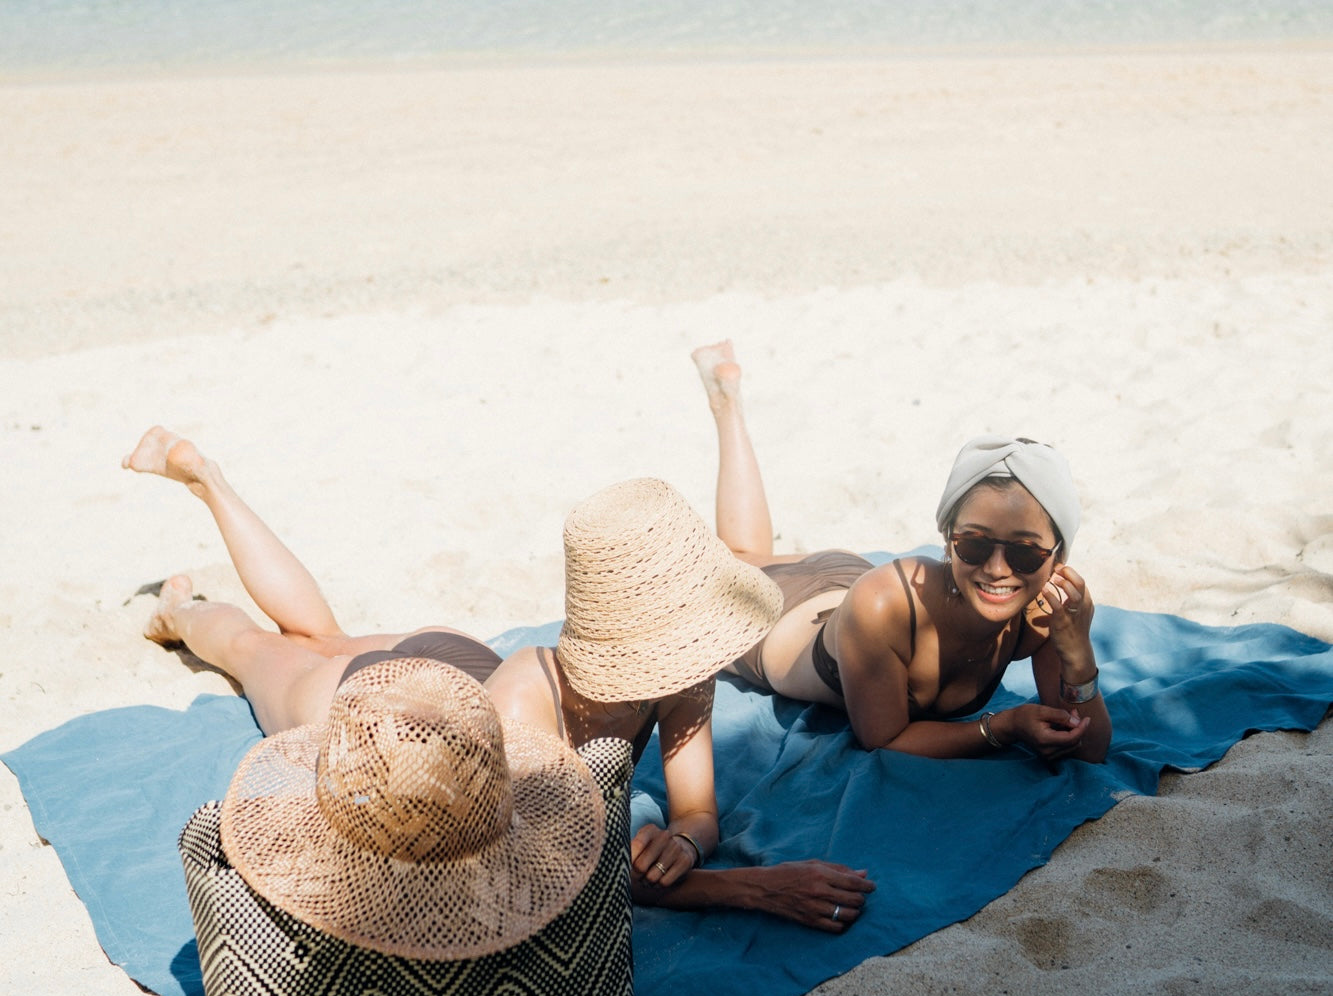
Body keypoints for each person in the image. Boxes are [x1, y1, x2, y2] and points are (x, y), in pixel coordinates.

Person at [125, 426, 873, 931]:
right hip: (381, 701)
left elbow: (697, 810)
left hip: (458, 659)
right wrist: (752, 890)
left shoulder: (678, 668)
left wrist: (687, 840)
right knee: (258, 649)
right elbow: (544, 873)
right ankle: (185, 594)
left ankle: (209, 497)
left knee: (321, 632)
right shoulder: (523, 710)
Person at [692, 342, 1112, 763]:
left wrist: (1078, 654)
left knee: (744, 552)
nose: (997, 568)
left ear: (1057, 558)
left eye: (1025, 553)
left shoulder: (1048, 614)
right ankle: (725, 404)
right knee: (732, 558)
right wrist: (1002, 727)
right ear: (948, 538)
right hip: (780, 619)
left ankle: (727, 401)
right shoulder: (883, 605)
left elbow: (1089, 749)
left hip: (847, 579)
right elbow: (883, 738)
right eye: (974, 545)